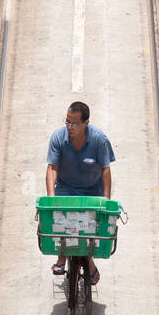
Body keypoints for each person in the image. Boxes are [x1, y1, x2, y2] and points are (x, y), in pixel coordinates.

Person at [45, 102, 115, 286]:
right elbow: (52, 168)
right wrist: (51, 199)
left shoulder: (99, 139)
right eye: (67, 121)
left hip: (93, 188)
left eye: (75, 123)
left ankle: (88, 259)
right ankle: (62, 256)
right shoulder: (58, 138)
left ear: (86, 123)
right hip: (66, 188)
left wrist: (106, 201)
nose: (69, 127)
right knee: (64, 224)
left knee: (89, 229)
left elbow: (106, 171)